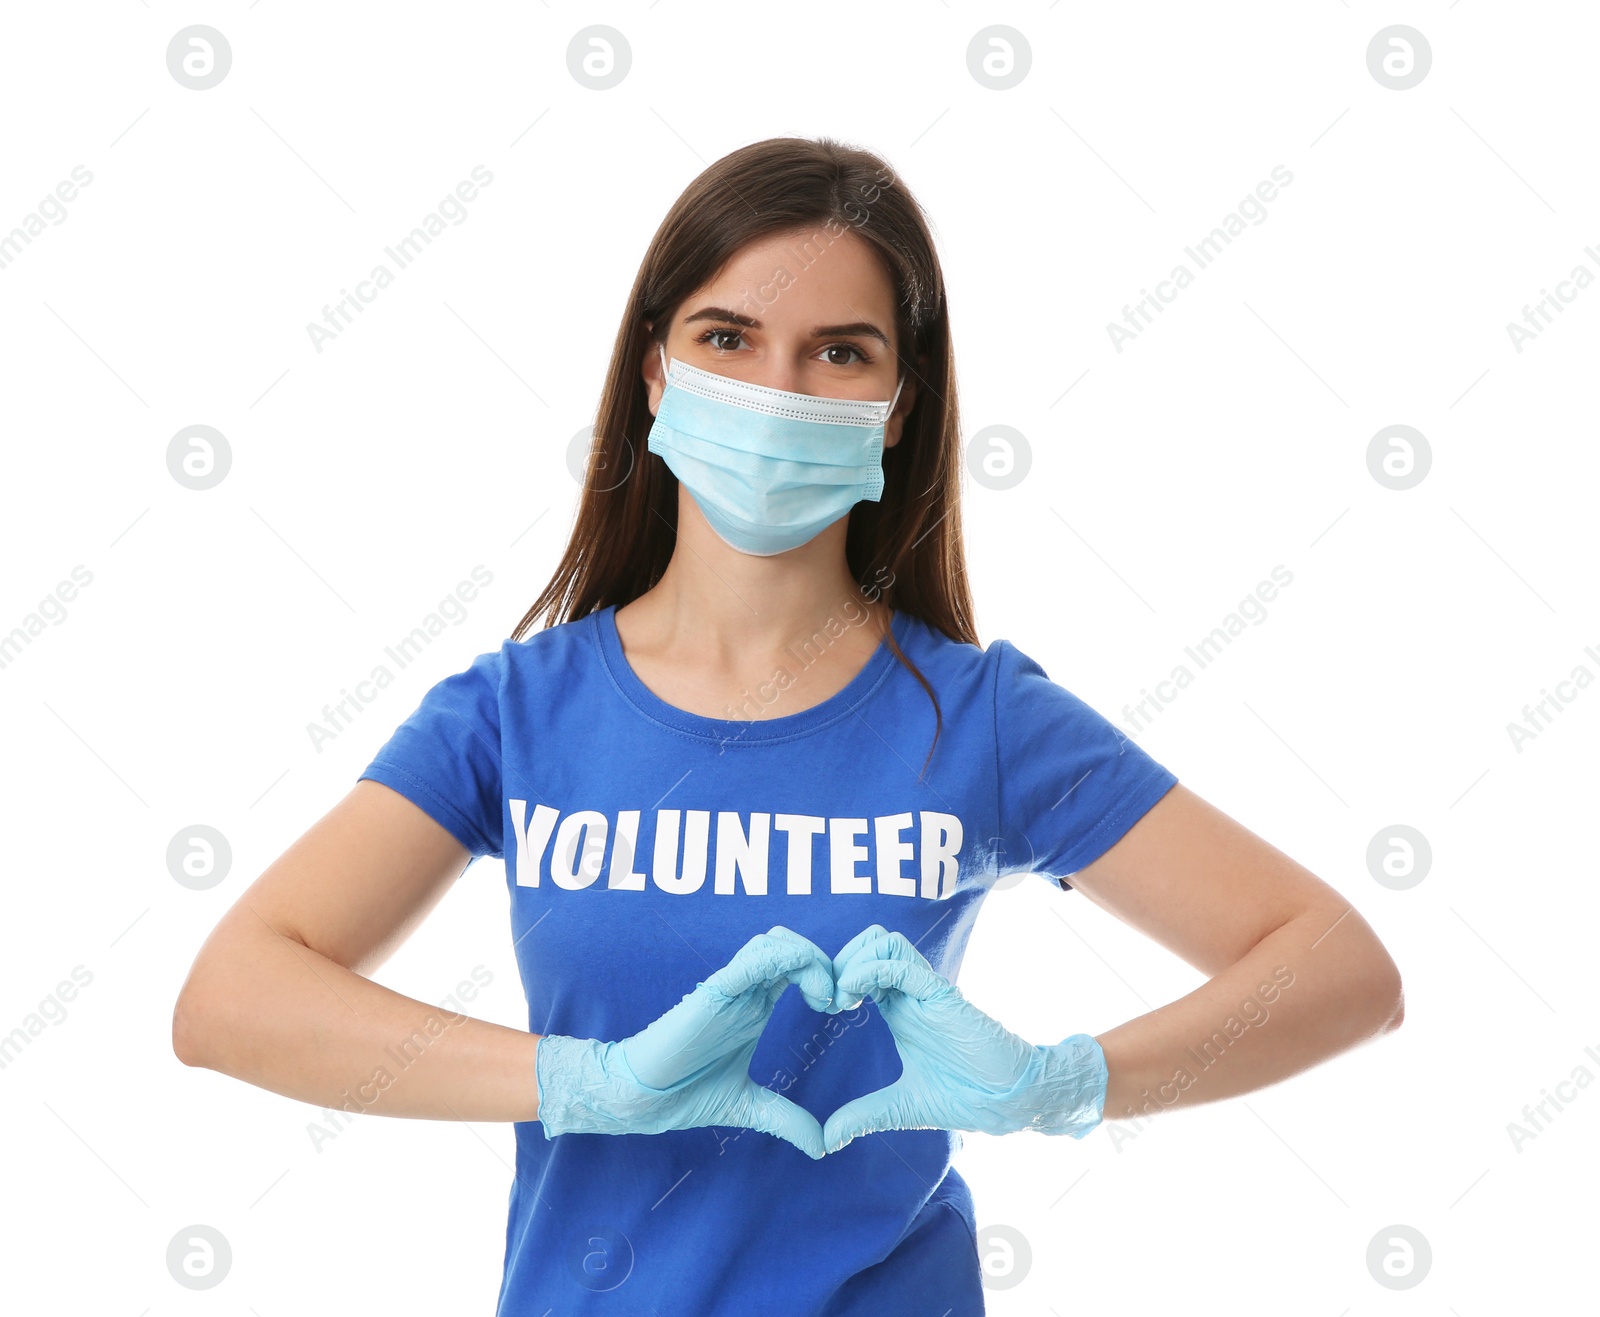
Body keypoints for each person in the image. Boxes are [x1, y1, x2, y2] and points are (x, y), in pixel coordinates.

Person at [171, 136, 1405, 1316]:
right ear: (656, 370)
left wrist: (1055, 1085)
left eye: (840, 353)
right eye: (729, 337)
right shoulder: (516, 713)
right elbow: (230, 999)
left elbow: (1340, 968)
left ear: (899, 404)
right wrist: (583, 1087)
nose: (777, 388)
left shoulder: (978, 720)